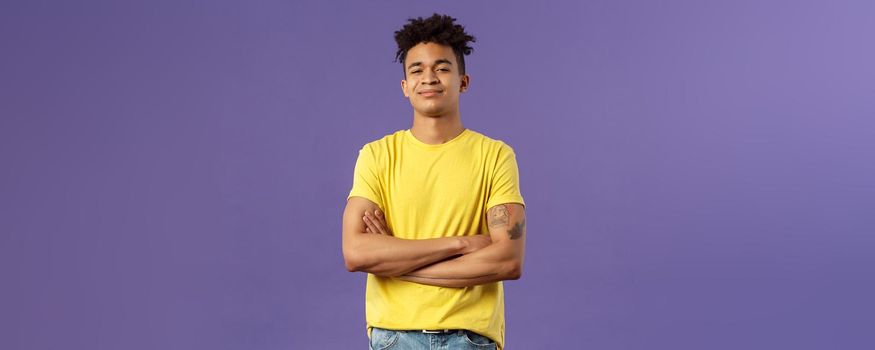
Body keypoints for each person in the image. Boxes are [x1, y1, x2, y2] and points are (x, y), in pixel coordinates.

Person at [342, 13, 527, 350]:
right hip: (394, 337)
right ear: (405, 86)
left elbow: (507, 260)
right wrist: (460, 244)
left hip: (468, 339)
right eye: (417, 70)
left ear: (463, 81)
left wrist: (398, 266)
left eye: (442, 68)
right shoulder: (377, 155)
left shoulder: (496, 155)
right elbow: (356, 252)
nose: (429, 78)